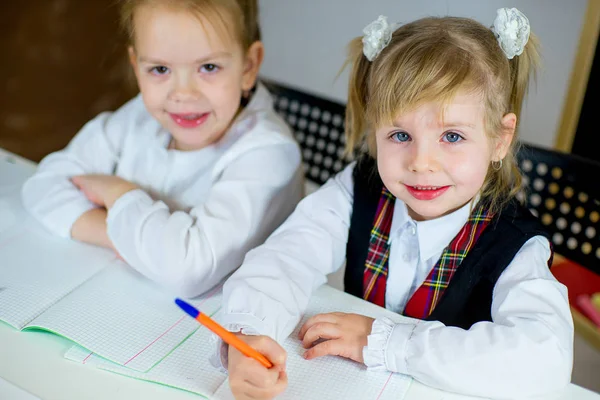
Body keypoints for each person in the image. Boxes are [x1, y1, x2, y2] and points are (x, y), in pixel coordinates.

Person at [218, 8, 573, 399]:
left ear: (500, 139)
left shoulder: (516, 245)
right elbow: (286, 257)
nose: (421, 163)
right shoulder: (358, 187)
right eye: (400, 135)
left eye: (452, 136)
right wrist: (248, 333)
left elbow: (544, 362)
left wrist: (384, 341)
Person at [21, 0, 303, 297]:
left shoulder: (269, 154)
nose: (182, 93)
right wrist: (139, 244)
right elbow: (42, 186)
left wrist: (118, 193)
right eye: (159, 69)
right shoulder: (139, 117)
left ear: (248, 66)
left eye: (208, 67)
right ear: (136, 64)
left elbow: (187, 271)